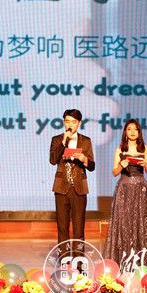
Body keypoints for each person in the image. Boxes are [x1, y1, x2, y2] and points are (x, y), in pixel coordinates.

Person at [102, 119, 147, 268]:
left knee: (140, 222)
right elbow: (114, 172)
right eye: (129, 129)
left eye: (135, 129)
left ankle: (141, 261)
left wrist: (145, 164)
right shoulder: (120, 149)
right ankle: (122, 260)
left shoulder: (144, 148)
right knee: (124, 223)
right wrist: (121, 165)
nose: (132, 132)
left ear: (139, 132)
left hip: (140, 189)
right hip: (124, 189)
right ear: (125, 132)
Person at [50, 109, 95, 256]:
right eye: (68, 121)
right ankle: (63, 259)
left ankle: (78, 260)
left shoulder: (86, 141)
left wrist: (84, 159)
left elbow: (92, 166)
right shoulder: (57, 139)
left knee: (78, 227)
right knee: (62, 227)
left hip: (79, 188)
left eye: (74, 122)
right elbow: (53, 160)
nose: (70, 124)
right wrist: (64, 141)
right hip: (61, 187)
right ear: (64, 122)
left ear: (79, 123)